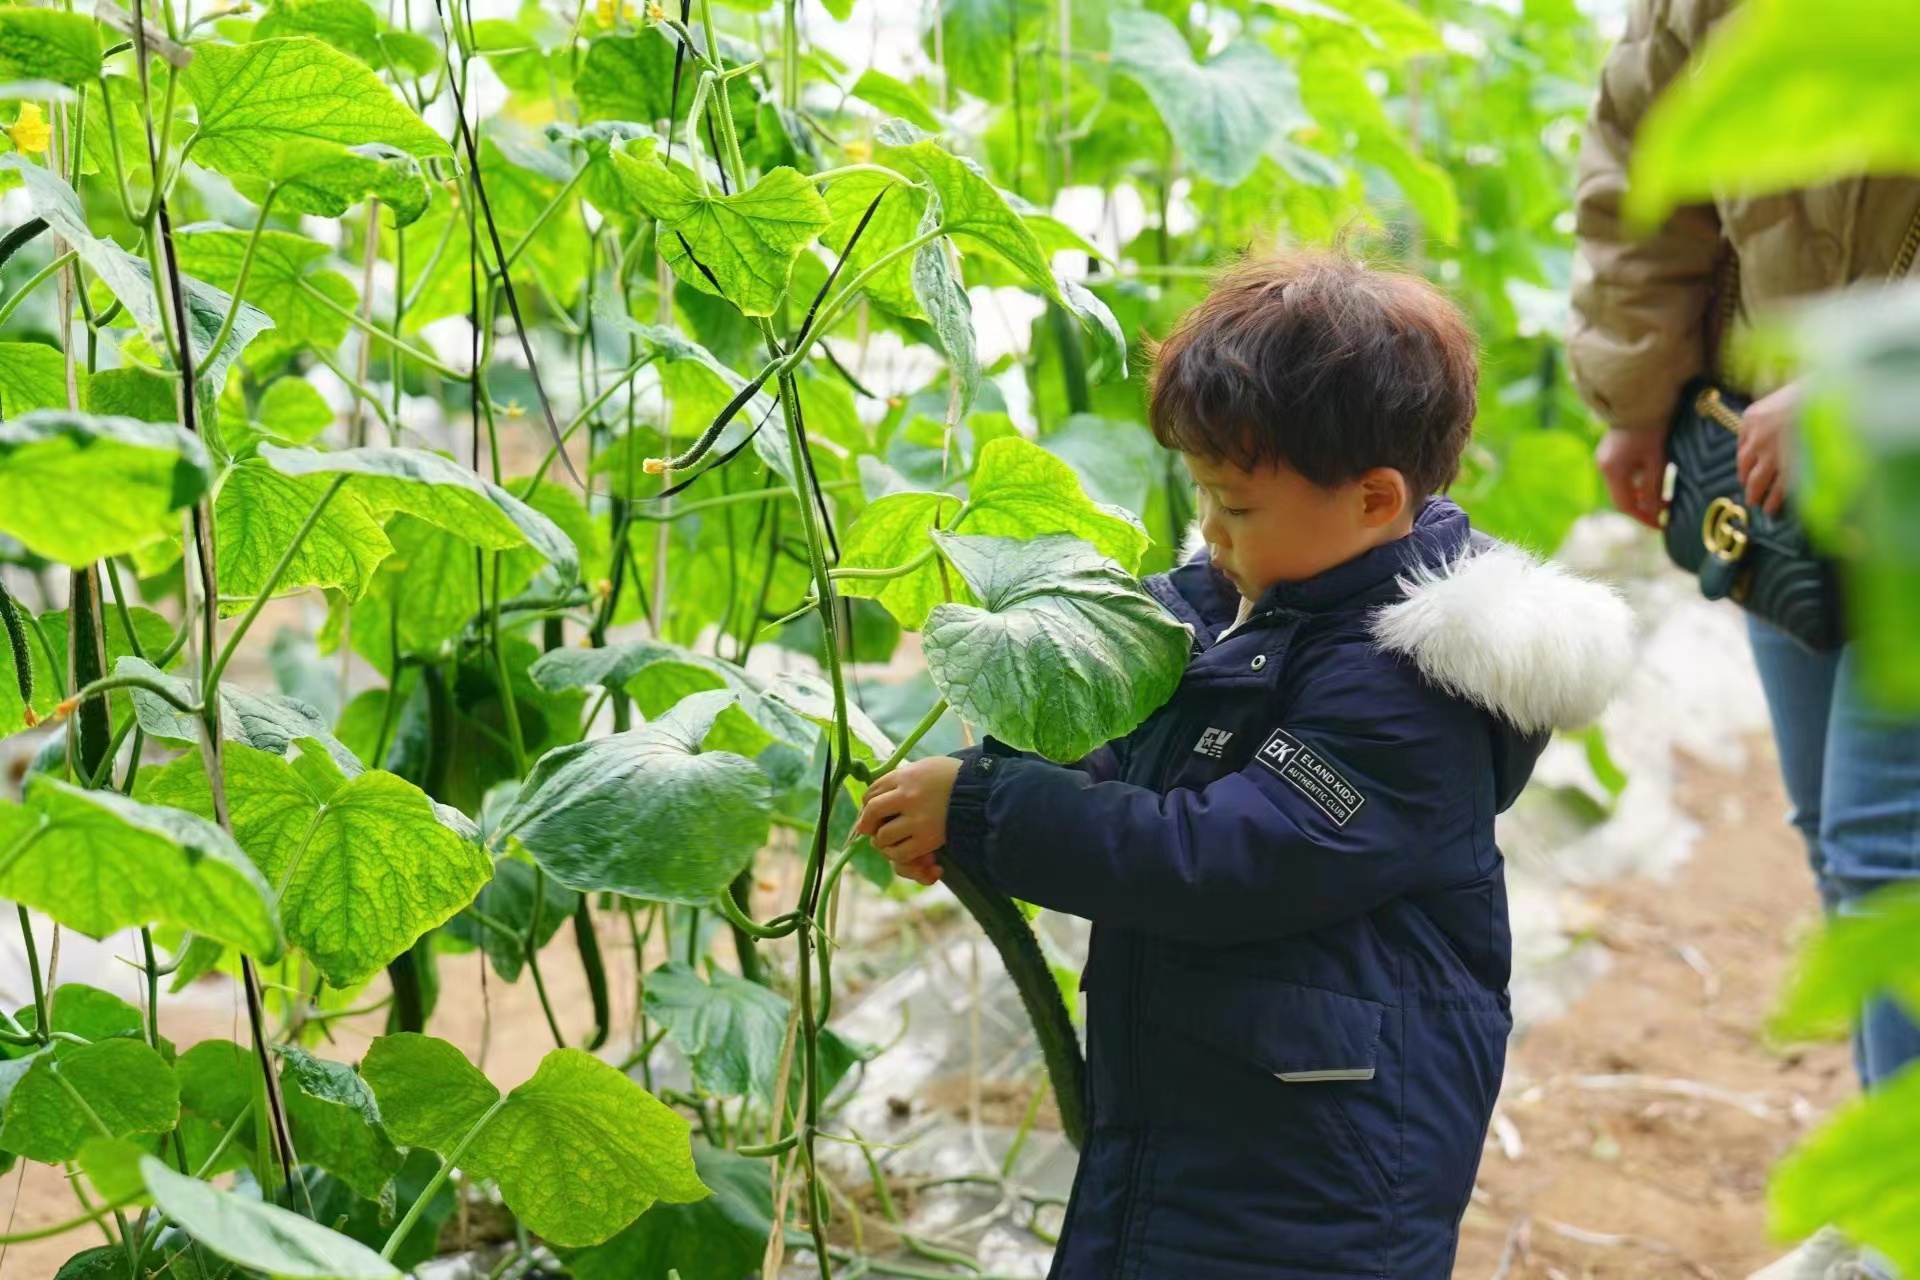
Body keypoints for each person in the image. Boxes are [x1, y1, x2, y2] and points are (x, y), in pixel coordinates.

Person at [854, 251, 1635, 1279]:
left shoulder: (1410, 688)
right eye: (1204, 495)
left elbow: (1227, 856)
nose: (1212, 531)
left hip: (1323, 1165)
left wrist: (995, 813)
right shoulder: (1240, 610)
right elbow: (1126, 740)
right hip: (1216, 1107)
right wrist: (982, 785)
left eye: (1238, 505)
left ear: (1372, 500)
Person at [1568, 4, 1920, 1275]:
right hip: (1778, 484)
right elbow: (1643, 159)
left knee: (1893, 849)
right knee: (1838, 835)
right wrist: (1640, 393)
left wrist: (1868, 372)